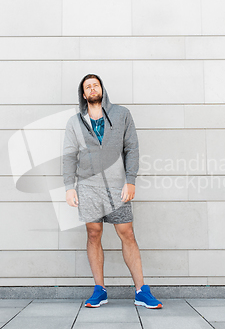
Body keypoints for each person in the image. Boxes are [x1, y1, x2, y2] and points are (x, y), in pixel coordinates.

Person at [62, 74, 163, 309]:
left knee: (127, 233)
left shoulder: (121, 114)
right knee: (94, 234)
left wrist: (131, 180)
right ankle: (100, 290)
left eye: (95, 84)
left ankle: (141, 291)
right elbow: (68, 156)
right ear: (83, 94)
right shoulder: (74, 122)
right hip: (87, 187)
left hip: (118, 187)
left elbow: (132, 148)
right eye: (88, 86)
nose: (92, 88)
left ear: (102, 89)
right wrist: (69, 187)